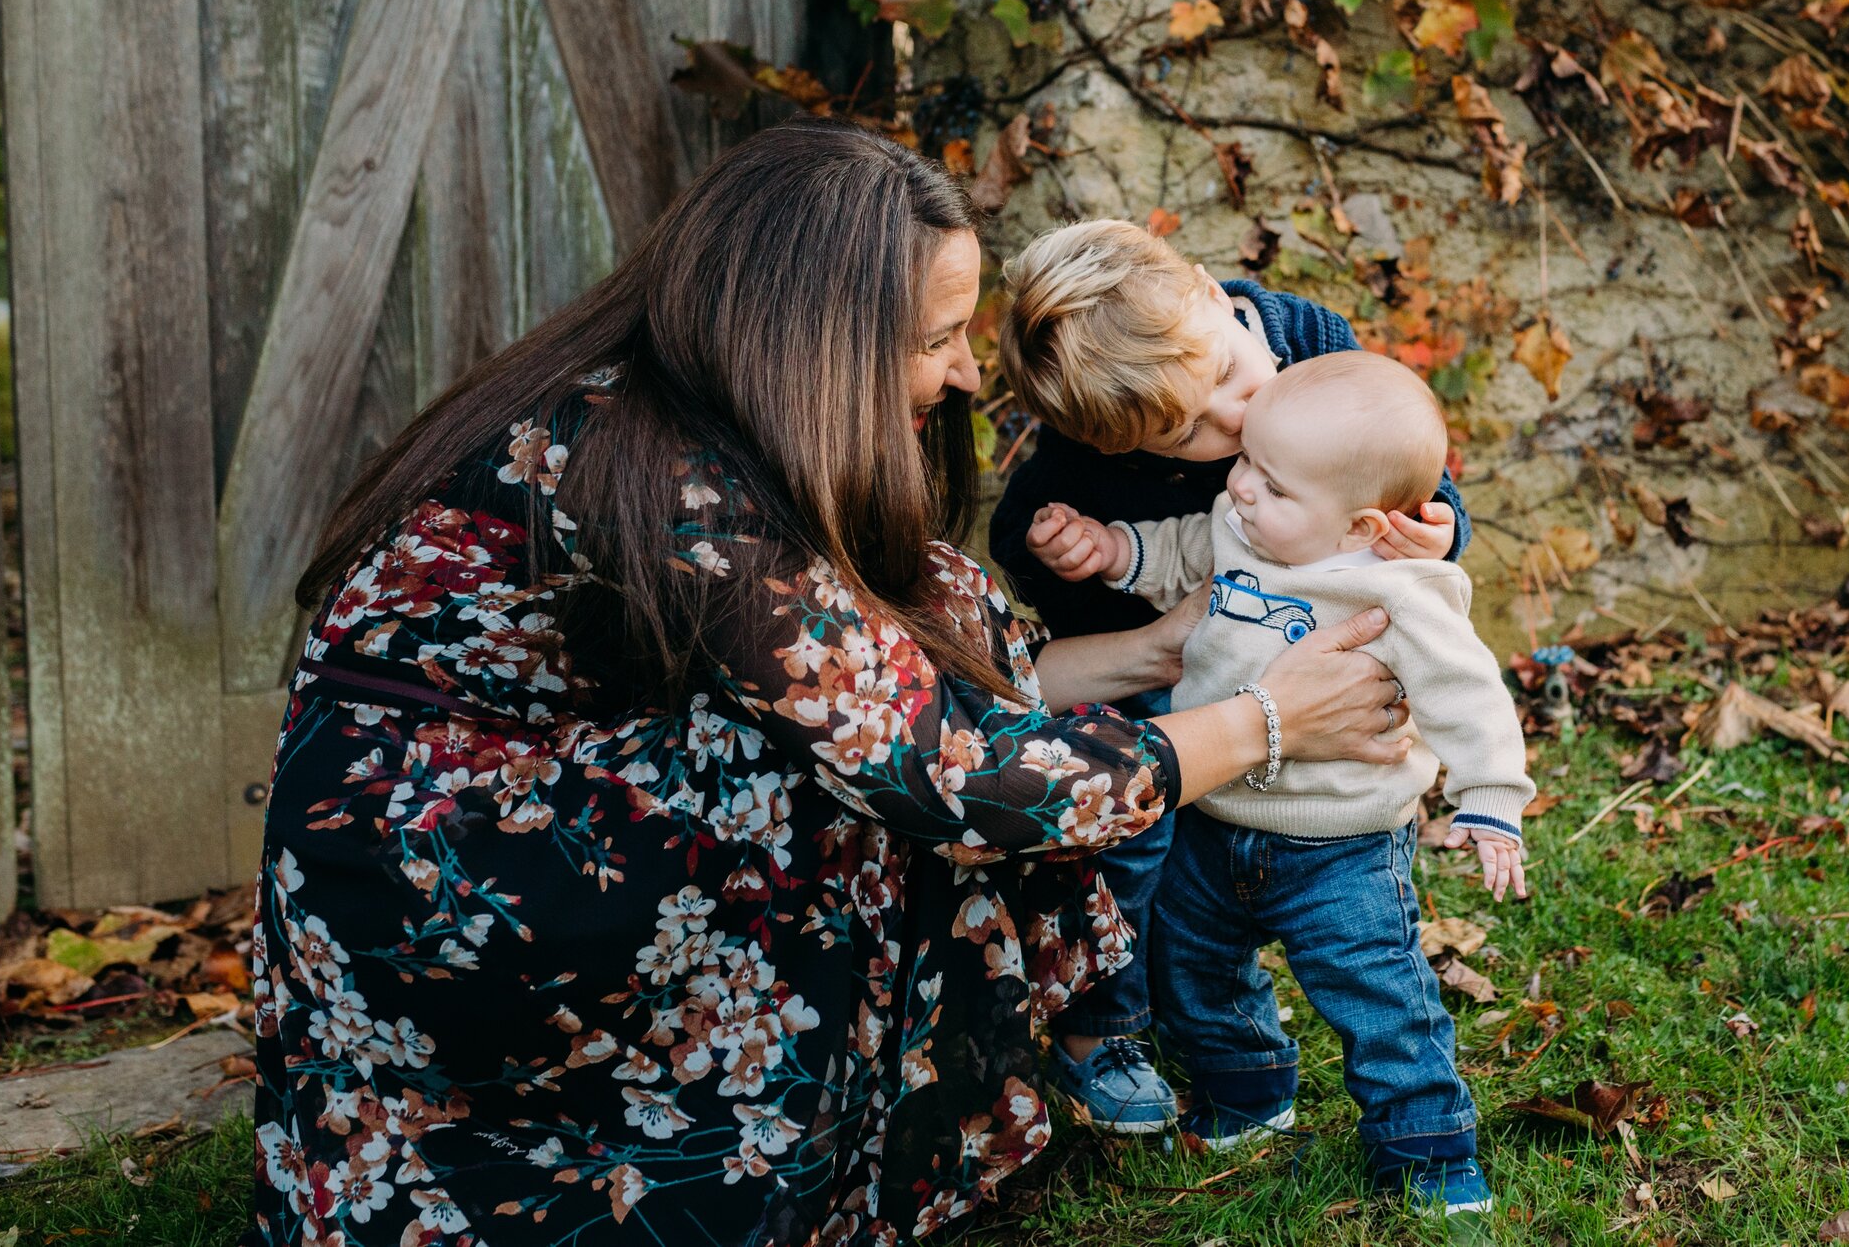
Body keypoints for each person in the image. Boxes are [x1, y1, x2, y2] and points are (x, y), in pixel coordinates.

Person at [249, 123, 1413, 1247]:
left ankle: (863, 1121)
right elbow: (950, 775)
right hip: (446, 880)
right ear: (815, 332)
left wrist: (1175, 646)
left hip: (526, 816)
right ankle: (684, 1165)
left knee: (909, 653)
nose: (965, 372)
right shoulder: (669, 479)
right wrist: (1264, 721)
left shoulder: (702, 410)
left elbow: (925, 681)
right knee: (826, 789)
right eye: (934, 338)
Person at [985, 219, 1473, 1134]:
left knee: (1307, 862)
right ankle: (1108, 1023)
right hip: (1153, 651)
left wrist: (1438, 522)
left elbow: (1402, 459)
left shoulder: (1311, 341)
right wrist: (1073, 553)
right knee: (1133, 847)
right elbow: (1018, 540)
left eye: (1222, 377)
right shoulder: (1095, 444)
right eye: (1185, 431)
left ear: (1214, 294)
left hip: (1296, 641)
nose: (1233, 419)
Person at [1025, 350, 1532, 1215]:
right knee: (1193, 970)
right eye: (1247, 462)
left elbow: (1468, 689)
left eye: (1274, 483)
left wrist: (1491, 796)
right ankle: (1248, 1089)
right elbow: (1188, 542)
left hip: (1341, 847)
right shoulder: (1239, 522)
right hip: (1215, 816)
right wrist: (1115, 550)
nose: (1243, 488)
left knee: (1379, 996)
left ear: (1363, 524)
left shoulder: (1396, 589)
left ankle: (1430, 1152)